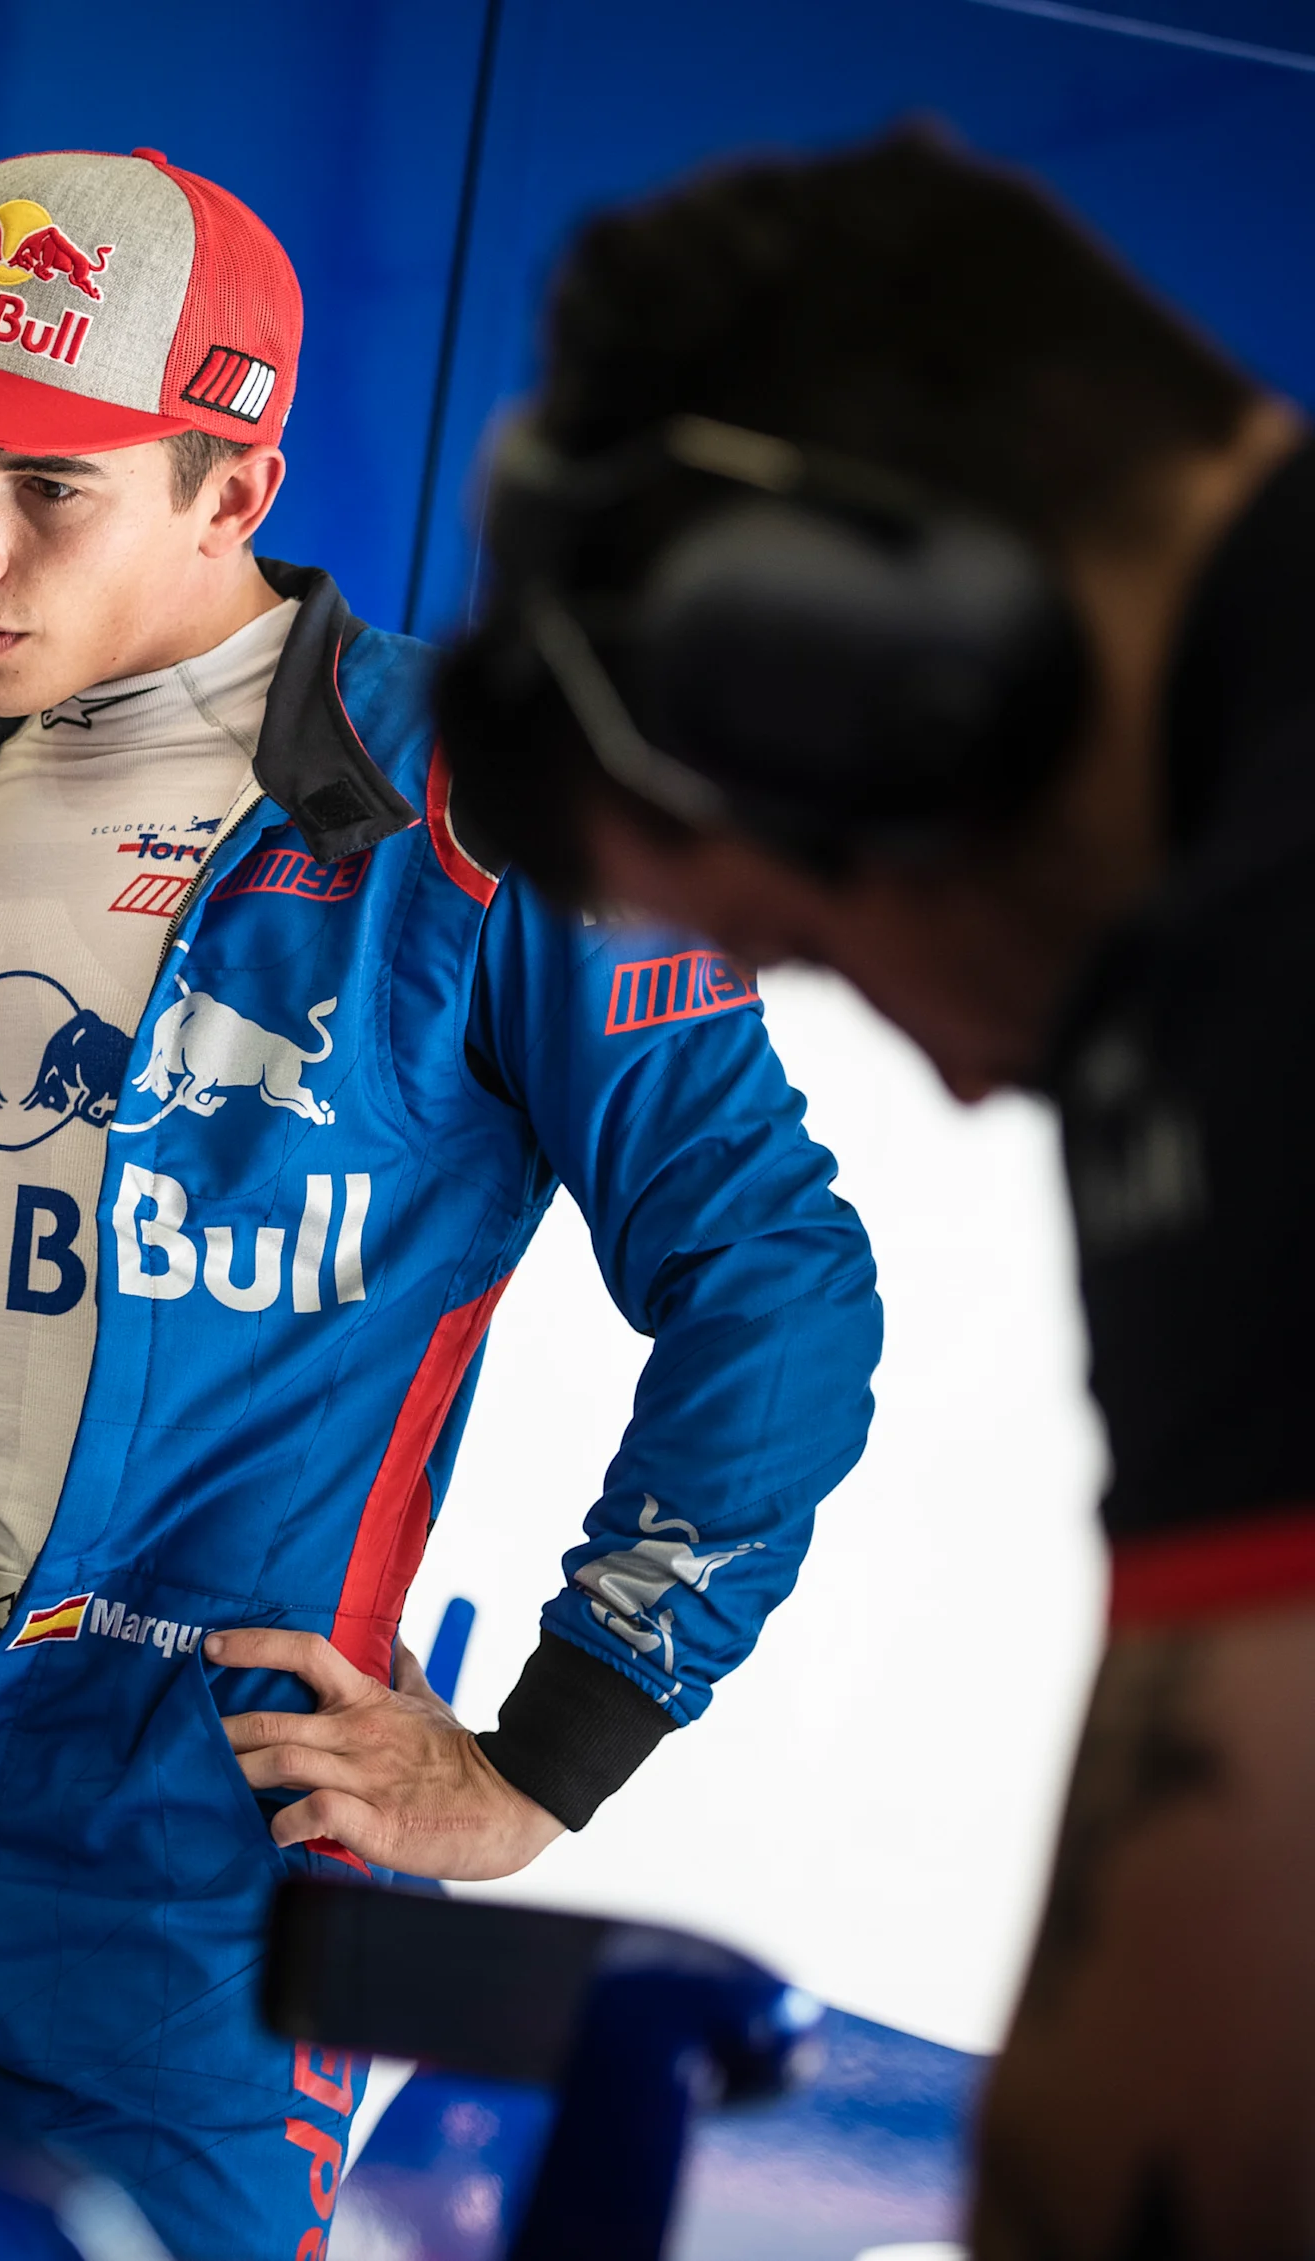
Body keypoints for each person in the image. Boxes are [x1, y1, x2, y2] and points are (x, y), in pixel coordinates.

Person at [0, 148, 885, 2257]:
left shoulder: (491, 805)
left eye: (50, 487)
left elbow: (780, 1281)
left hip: (190, 1859)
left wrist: (548, 1751)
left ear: (229, 487)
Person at [432, 129, 1315, 2261]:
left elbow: (1164, 2106)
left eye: (823, 941)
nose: (952, 1066)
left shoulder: (1262, 952)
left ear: (883, 651)